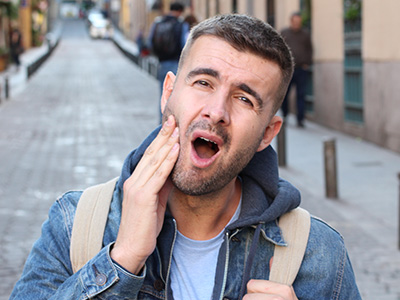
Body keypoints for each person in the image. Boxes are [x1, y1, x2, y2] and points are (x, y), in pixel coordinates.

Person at [10, 14, 361, 299]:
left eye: (244, 99)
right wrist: (122, 260)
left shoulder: (318, 255)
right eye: (204, 83)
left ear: (267, 134)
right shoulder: (75, 226)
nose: (216, 110)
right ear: (167, 93)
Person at [148, 2, 189, 122]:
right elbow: (185, 45)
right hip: (176, 63)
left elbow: (150, 42)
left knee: (163, 93)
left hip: (162, 62)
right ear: (180, 11)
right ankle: (175, 122)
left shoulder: (158, 22)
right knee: (178, 95)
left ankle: (162, 123)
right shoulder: (182, 25)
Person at [280, 12, 313, 128]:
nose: (296, 24)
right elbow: (280, 49)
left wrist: (307, 63)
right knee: (285, 94)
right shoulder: (284, 33)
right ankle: (285, 115)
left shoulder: (305, 35)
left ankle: (300, 119)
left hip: (301, 69)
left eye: (298, 22)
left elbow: (310, 49)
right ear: (291, 21)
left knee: (301, 94)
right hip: (288, 69)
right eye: (295, 22)